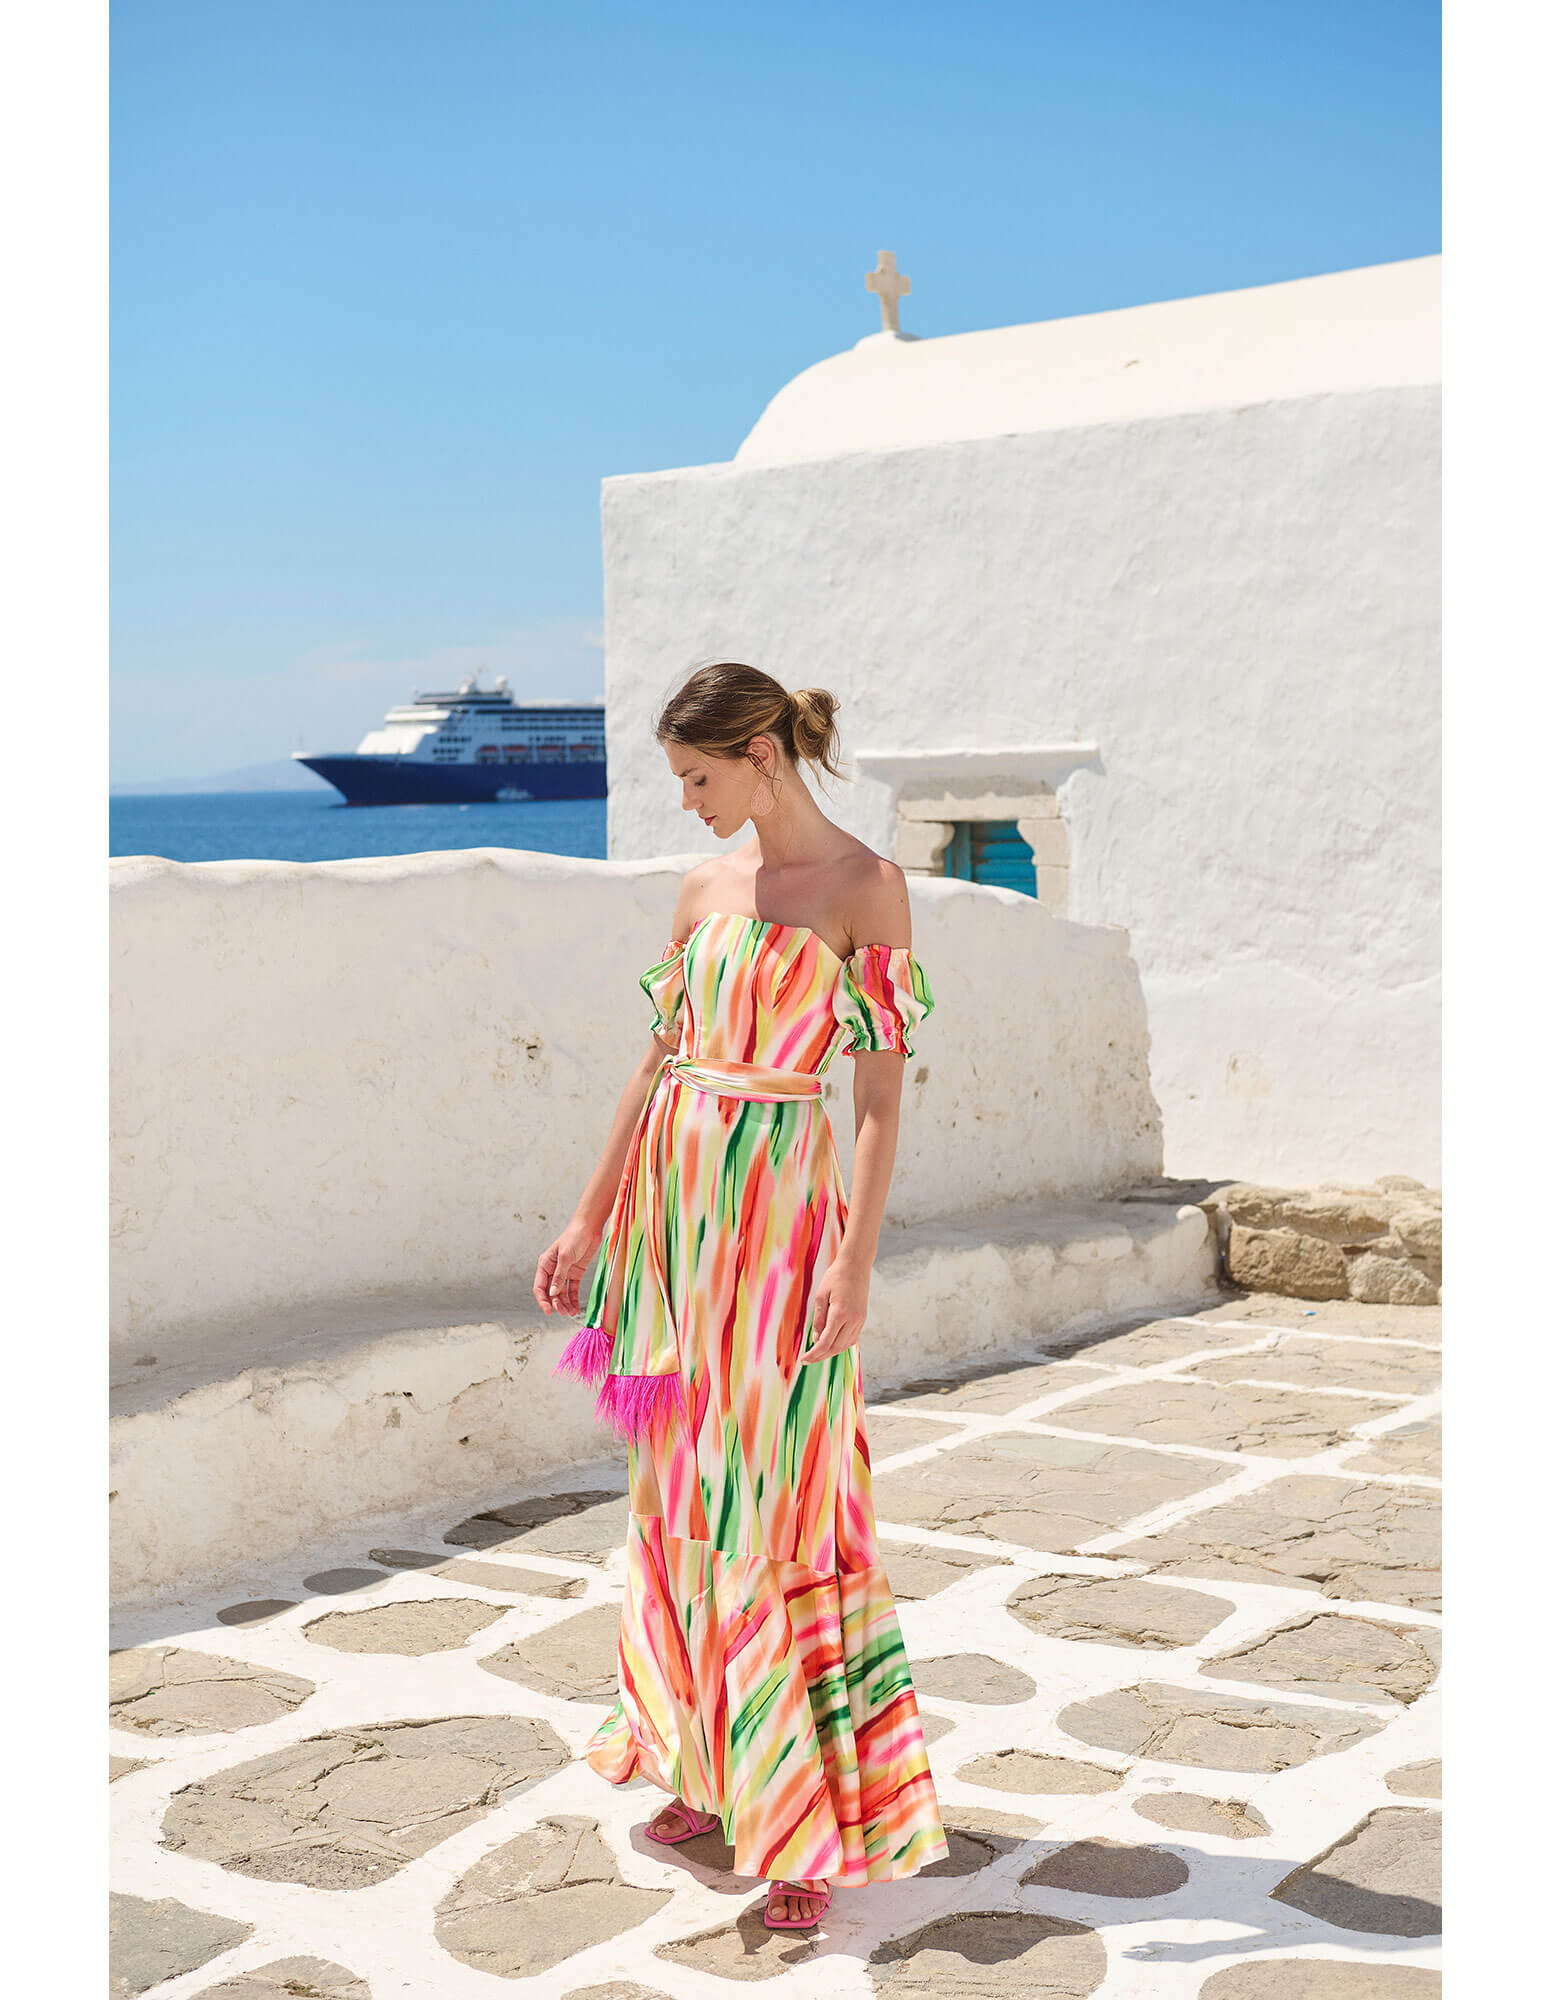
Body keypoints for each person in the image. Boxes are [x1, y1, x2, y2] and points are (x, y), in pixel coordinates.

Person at [535, 661, 949, 1932]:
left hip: (781, 1222)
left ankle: (803, 1818)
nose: (689, 800)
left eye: (698, 775)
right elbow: (655, 1060)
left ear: (762, 752)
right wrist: (590, 1212)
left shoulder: (866, 887)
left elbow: (876, 1098)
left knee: (777, 1494)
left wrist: (852, 1258)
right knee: (678, 1490)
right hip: (672, 1224)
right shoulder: (701, 888)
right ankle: (698, 1762)